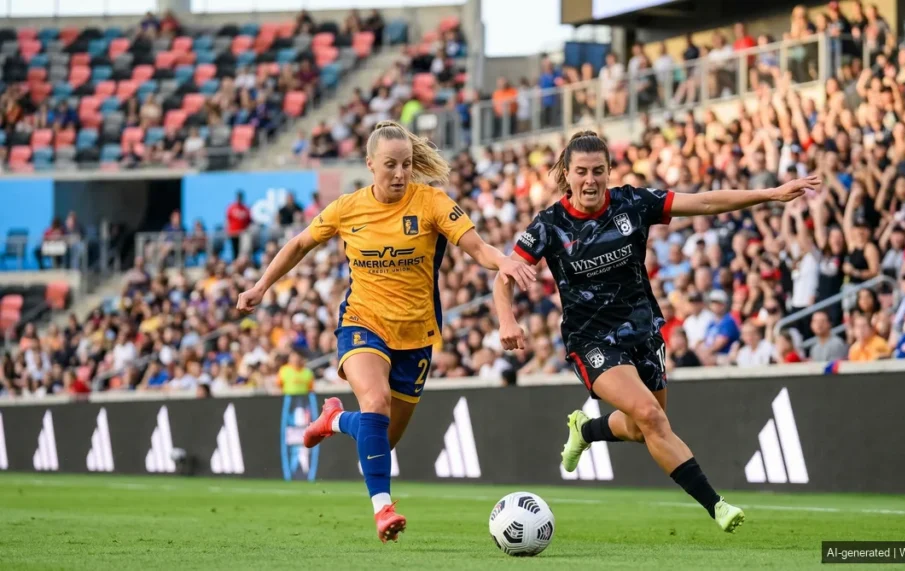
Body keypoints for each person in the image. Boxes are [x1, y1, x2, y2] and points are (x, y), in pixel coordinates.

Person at [493, 131, 820, 534]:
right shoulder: (549, 225)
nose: (590, 180)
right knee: (649, 415)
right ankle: (716, 505)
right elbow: (504, 276)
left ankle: (587, 428)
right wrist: (507, 320)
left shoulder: (633, 202)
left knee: (641, 426)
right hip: (591, 341)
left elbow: (704, 202)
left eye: (598, 171)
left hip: (644, 333)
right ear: (566, 173)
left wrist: (769, 194)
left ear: (610, 171)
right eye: (581, 172)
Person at [236, 121, 535, 543]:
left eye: (407, 165)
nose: (399, 174)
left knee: (382, 440)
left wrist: (502, 261)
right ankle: (384, 510)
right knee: (375, 401)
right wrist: (261, 285)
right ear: (370, 164)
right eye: (390, 165)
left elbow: (478, 248)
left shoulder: (431, 202)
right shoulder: (347, 208)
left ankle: (335, 419)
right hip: (363, 322)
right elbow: (301, 243)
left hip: (416, 336)